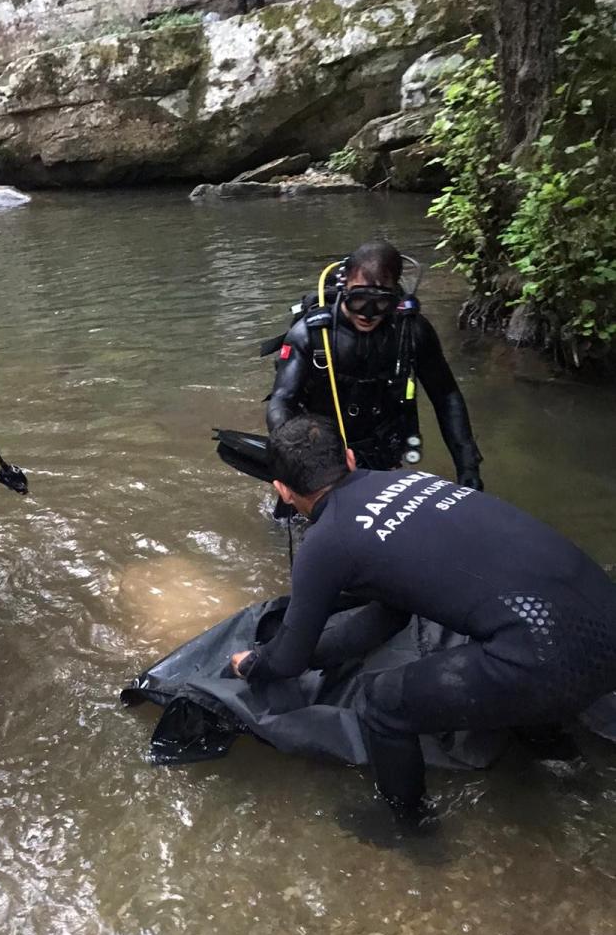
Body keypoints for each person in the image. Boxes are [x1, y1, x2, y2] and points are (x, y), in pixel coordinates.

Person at [230, 415, 616, 821]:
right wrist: (324, 655)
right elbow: (389, 617)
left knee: (381, 704)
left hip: (545, 655)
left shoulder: (326, 542)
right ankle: (560, 757)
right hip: (603, 624)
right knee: (514, 642)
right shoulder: (416, 479)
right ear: (349, 457)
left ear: (283, 492)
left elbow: (287, 660)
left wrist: (254, 664)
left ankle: (409, 826)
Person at [265, 240, 483, 489]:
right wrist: (296, 461)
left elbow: (446, 397)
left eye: (381, 302)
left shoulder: (412, 332)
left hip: (384, 449)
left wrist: (468, 469)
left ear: (396, 295)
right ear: (344, 285)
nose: (368, 313)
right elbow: (282, 400)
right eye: (359, 300)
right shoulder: (310, 335)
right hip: (322, 452)